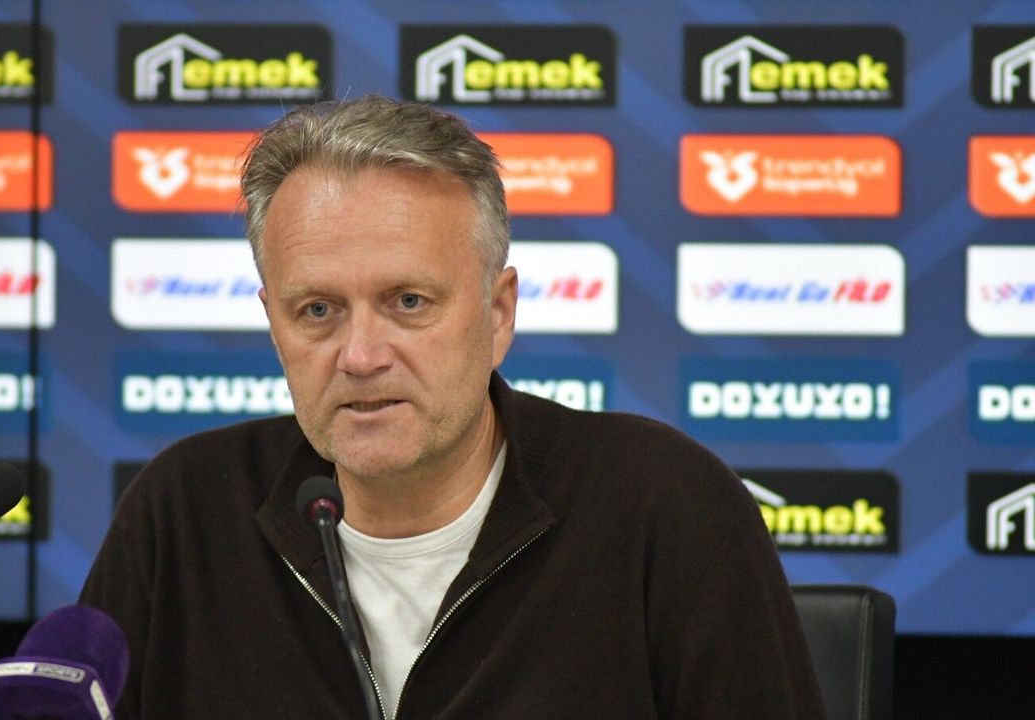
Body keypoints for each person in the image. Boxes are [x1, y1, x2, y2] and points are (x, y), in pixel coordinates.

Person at [80, 95, 824, 719]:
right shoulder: (183, 513)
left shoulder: (664, 505)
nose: (360, 355)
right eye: (317, 310)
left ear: (498, 314)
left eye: (408, 302)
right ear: (274, 323)